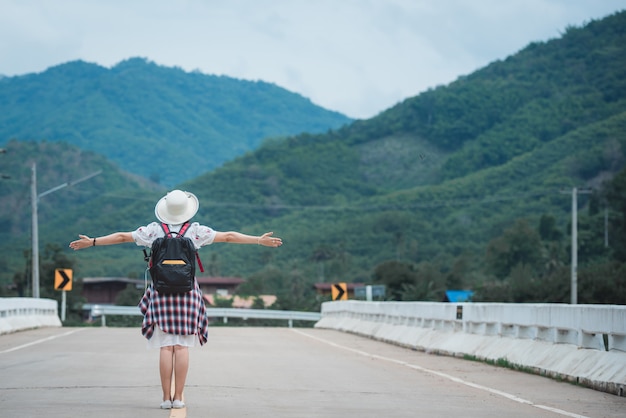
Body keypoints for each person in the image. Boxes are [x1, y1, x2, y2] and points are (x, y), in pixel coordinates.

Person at [69, 189, 282, 409]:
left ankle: (164, 399)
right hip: (187, 293)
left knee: (165, 346)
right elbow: (228, 236)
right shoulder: (196, 231)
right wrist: (258, 240)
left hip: (161, 293)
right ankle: (178, 397)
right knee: (181, 346)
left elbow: (122, 236)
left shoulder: (153, 231)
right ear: (187, 211)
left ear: (164, 211)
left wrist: (92, 241)